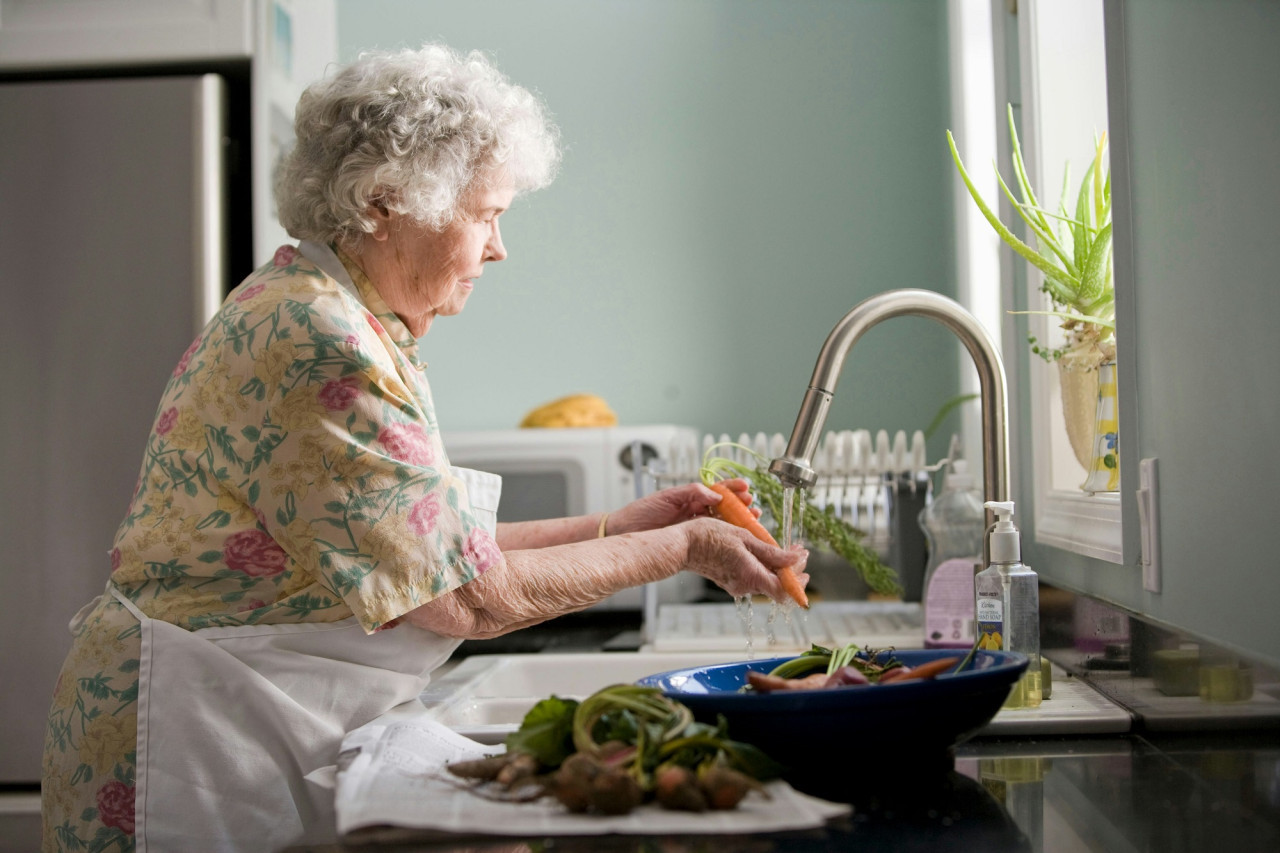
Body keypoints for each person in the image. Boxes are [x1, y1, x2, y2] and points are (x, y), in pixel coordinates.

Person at [40, 44, 807, 852]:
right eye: (485, 216)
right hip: (190, 742)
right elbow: (465, 597)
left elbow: (425, 552)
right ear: (383, 203)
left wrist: (620, 526)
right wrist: (682, 545)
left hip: (240, 714)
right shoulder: (315, 339)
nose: (500, 247)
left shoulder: (339, 317)